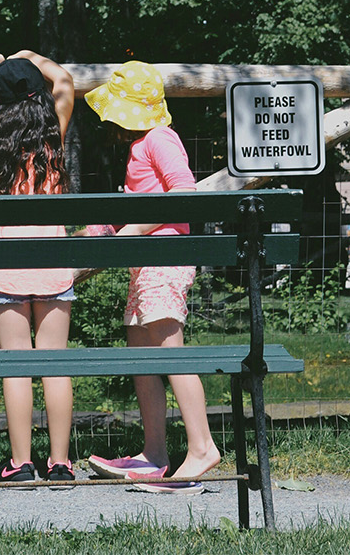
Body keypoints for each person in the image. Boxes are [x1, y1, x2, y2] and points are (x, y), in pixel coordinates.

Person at [81, 61, 218, 494]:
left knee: (169, 350)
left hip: (164, 258)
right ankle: (154, 454)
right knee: (142, 350)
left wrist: (135, 229)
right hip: (147, 261)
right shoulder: (144, 143)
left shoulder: (160, 139)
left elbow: (182, 194)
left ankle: (201, 448)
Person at [0, 49, 76, 487]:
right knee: (56, 364)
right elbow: (64, 80)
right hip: (52, 265)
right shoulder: (54, 138)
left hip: (5, 266)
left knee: (16, 365)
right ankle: (61, 463)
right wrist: (33, 56)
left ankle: (21, 463)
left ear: (0, 103)